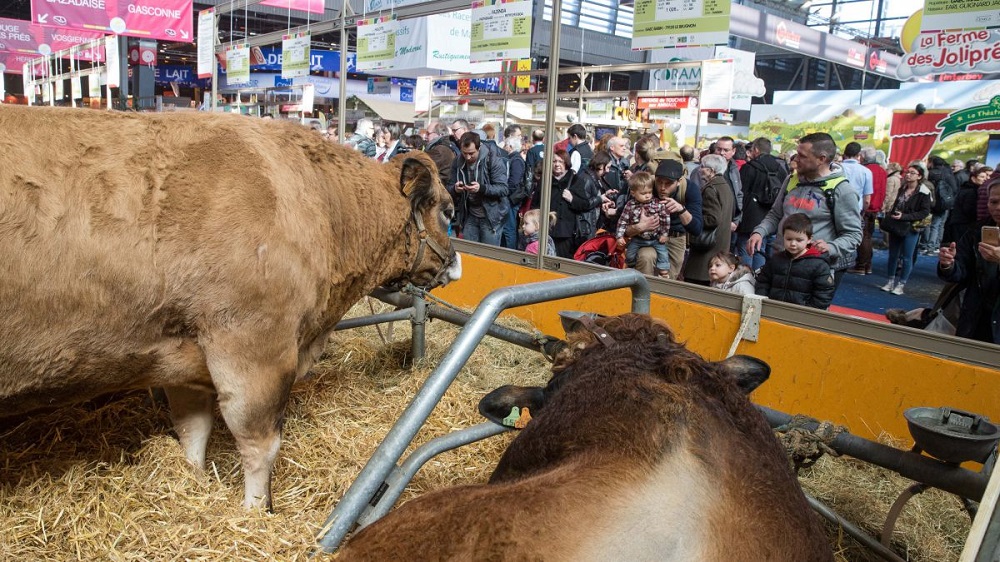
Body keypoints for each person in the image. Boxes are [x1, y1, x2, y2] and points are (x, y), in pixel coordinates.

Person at [746, 132, 862, 292]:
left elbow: (853, 235)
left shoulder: (842, 191)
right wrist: (760, 232)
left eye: (802, 156)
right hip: (782, 262)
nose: (795, 159)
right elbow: (775, 214)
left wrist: (831, 247)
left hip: (814, 270)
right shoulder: (791, 180)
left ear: (822, 159)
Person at [936, 177, 1000, 343]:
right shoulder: (977, 231)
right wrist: (948, 264)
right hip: (976, 316)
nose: (998, 208)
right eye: (993, 202)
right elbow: (962, 271)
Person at [754, 213, 836, 309]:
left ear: (809, 239)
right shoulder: (776, 260)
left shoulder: (819, 265)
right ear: (783, 236)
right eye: (789, 239)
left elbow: (823, 294)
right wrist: (764, 301)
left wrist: (809, 311)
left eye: (799, 240)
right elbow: (763, 282)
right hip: (773, 310)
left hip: (802, 315)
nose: (793, 243)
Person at [878, 161, 933, 296]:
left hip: (911, 227)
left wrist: (906, 216)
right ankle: (890, 281)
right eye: (907, 172)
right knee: (893, 255)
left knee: (907, 257)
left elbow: (925, 212)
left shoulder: (924, 192)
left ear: (919, 176)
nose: (908, 175)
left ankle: (901, 284)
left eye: (912, 173)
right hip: (897, 225)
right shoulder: (903, 188)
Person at [449, 132, 509, 245]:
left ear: (479, 147)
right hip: (470, 216)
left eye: (471, 153)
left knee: (488, 257)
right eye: (464, 153)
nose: (467, 157)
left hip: (491, 218)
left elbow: (503, 189)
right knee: (469, 254)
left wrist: (481, 188)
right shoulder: (457, 161)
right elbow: (449, 187)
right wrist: (455, 189)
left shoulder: (493, 159)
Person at [737, 137, 787, 271]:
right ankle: (760, 280)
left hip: (750, 218)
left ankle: (745, 280)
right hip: (772, 218)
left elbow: (742, 193)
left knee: (747, 249)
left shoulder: (749, 167)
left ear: (756, 150)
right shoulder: (781, 168)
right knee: (761, 250)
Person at [685, 154, 735, 286]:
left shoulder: (711, 189)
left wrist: (691, 217)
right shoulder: (724, 186)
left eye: (703, 167)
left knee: (696, 287)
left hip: (707, 249)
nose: (700, 169)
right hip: (719, 245)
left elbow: (713, 218)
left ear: (711, 170)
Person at [615, 171, 671, 277]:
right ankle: (630, 267)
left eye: (649, 192)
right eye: (643, 194)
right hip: (638, 239)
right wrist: (619, 236)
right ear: (633, 193)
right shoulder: (630, 205)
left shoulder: (657, 204)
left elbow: (665, 219)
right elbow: (622, 221)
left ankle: (664, 270)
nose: (647, 196)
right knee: (630, 254)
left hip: (655, 238)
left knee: (663, 253)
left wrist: (664, 234)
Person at [531, 149, 578, 258]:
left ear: (566, 163)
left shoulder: (575, 179)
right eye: (554, 161)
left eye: (560, 161)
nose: (557, 164)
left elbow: (584, 204)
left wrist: (572, 199)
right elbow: (536, 203)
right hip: (546, 229)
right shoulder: (545, 179)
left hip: (565, 231)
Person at [848, 146, 888, 275]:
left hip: (866, 208)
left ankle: (861, 265)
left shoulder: (867, 170)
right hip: (875, 208)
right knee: (868, 237)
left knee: (863, 237)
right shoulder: (882, 171)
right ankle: (867, 265)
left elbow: (867, 195)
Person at [570, 151, 612, 248]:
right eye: (608, 167)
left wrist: (604, 197)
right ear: (601, 165)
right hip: (584, 228)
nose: (608, 171)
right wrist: (600, 199)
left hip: (588, 226)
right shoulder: (586, 179)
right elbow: (583, 204)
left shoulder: (593, 178)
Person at [920, 155, 959, 255]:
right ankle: (935, 245)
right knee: (940, 225)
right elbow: (954, 189)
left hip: (932, 202)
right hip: (945, 203)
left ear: (932, 163)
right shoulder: (948, 173)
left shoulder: (930, 174)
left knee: (930, 224)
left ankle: (928, 245)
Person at [945, 166, 993, 245]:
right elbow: (969, 209)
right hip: (963, 224)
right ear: (973, 178)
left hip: (960, 222)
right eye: (982, 177)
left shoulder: (967, 188)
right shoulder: (971, 191)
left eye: (986, 176)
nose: (985, 179)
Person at [712, 136, 745, 242]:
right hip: (713, 225)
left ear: (733, 151)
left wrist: (736, 220)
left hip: (732, 223)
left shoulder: (734, 168)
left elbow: (738, 194)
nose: (722, 153)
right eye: (719, 149)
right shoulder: (705, 169)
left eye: (726, 150)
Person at [501, 135, 528, 250]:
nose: (504, 147)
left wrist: (504, 191)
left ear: (510, 146)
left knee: (509, 229)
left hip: (511, 200)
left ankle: (510, 252)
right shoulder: (515, 159)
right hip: (510, 198)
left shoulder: (516, 160)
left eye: (506, 145)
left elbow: (514, 182)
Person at [839, 142, 873, 213]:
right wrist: (863, 211)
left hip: (837, 208)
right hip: (856, 209)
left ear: (844, 154)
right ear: (858, 155)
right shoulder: (866, 171)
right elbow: (867, 200)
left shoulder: (836, 168)